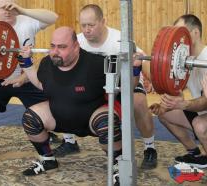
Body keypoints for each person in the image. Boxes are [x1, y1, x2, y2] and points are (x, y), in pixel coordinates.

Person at [18, 26, 141, 182]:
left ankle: (117, 164)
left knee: (107, 123)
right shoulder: (47, 63)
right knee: (30, 117)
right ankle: (47, 160)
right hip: (59, 117)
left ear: (76, 47)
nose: (55, 52)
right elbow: (42, 84)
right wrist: (27, 64)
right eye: (52, 46)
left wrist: (135, 70)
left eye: (62, 47)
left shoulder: (97, 64)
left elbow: (128, 87)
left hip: (91, 117)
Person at [52, 4, 157, 170]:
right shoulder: (76, 42)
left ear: (103, 22)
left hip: (124, 83)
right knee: (62, 94)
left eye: (91, 25)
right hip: (94, 88)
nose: (87, 30)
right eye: (83, 25)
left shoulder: (120, 39)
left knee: (138, 102)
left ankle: (149, 148)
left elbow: (141, 59)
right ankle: (70, 142)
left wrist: (155, 82)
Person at [0, 0, 58, 136]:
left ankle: (60, 137)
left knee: (53, 103)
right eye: (3, 8)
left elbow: (53, 17)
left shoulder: (27, 21)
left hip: (26, 77)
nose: (7, 11)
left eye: (10, 7)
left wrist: (22, 10)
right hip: (0, 78)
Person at [150, 14, 207, 168]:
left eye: (182, 31)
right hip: (198, 111)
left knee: (200, 125)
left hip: (203, 114)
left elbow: (205, 102)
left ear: (195, 33)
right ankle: (194, 153)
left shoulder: (205, 59)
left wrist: (184, 104)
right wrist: (167, 105)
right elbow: (179, 91)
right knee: (164, 114)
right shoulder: (183, 60)